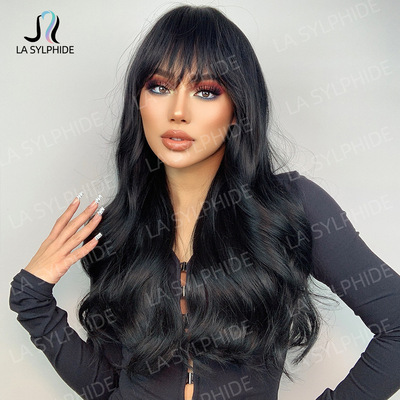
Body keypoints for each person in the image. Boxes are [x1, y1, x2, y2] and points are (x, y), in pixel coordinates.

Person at [9, 4, 400, 400]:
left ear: (238, 109)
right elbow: (109, 388)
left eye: (206, 92)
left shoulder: (289, 208)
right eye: (159, 87)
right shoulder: (118, 228)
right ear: (138, 101)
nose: (177, 112)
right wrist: (32, 298)